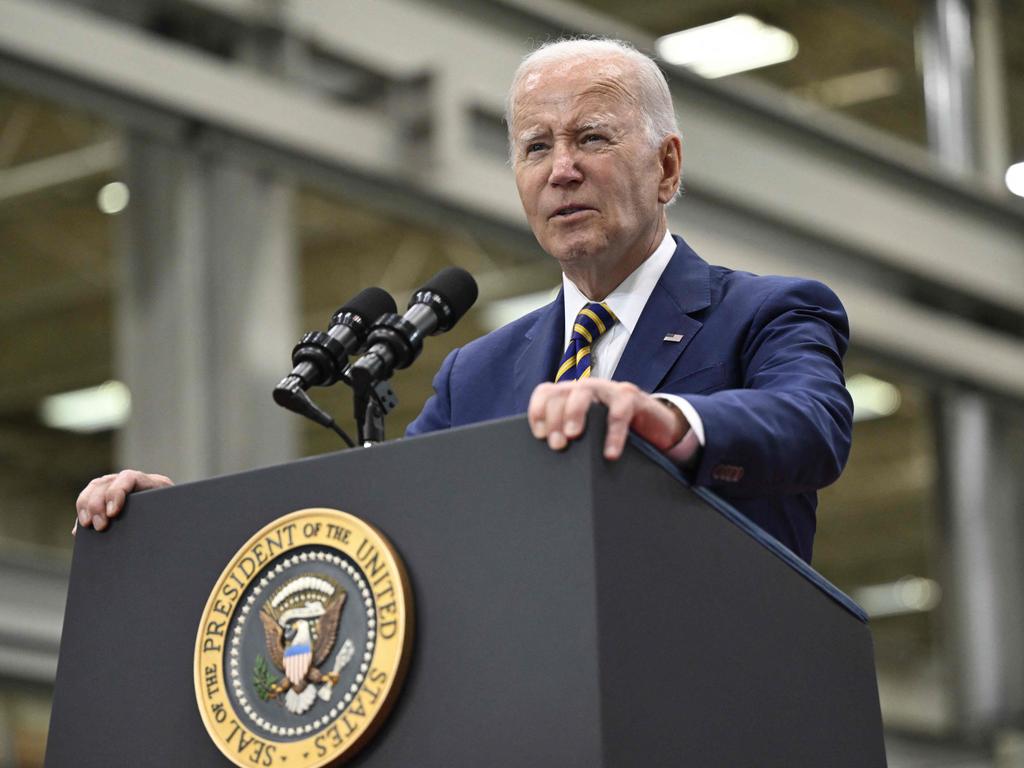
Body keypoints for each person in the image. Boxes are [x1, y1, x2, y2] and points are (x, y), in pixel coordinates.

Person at [75, 38, 852, 563]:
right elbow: (381, 533)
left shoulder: (768, 313)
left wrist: (665, 418)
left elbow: (813, 424)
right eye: (536, 147)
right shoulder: (475, 375)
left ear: (668, 167)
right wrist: (184, 529)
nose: (562, 170)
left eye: (592, 138)